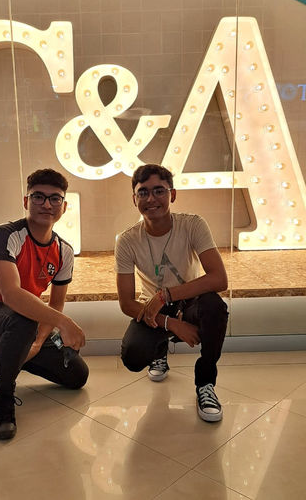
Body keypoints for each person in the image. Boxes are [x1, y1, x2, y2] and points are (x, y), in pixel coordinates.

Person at [0, 168, 88, 440]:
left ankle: (2, 356)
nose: (47, 205)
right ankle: (3, 398)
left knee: (77, 375)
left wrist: (38, 342)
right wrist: (64, 324)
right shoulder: (5, 234)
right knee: (21, 319)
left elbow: (56, 304)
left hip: (24, 326)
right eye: (38, 197)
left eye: (55, 198)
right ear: (26, 201)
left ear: (64, 206)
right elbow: (11, 295)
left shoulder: (64, 251)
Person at [114, 164, 229, 422]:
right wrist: (170, 323)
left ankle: (206, 384)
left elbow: (219, 279)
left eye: (159, 191)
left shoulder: (192, 225)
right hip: (152, 311)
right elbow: (126, 303)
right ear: (134, 199)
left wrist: (165, 295)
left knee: (214, 307)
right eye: (143, 192)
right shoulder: (127, 240)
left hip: (190, 301)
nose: (151, 199)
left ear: (172, 194)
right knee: (133, 356)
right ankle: (159, 351)